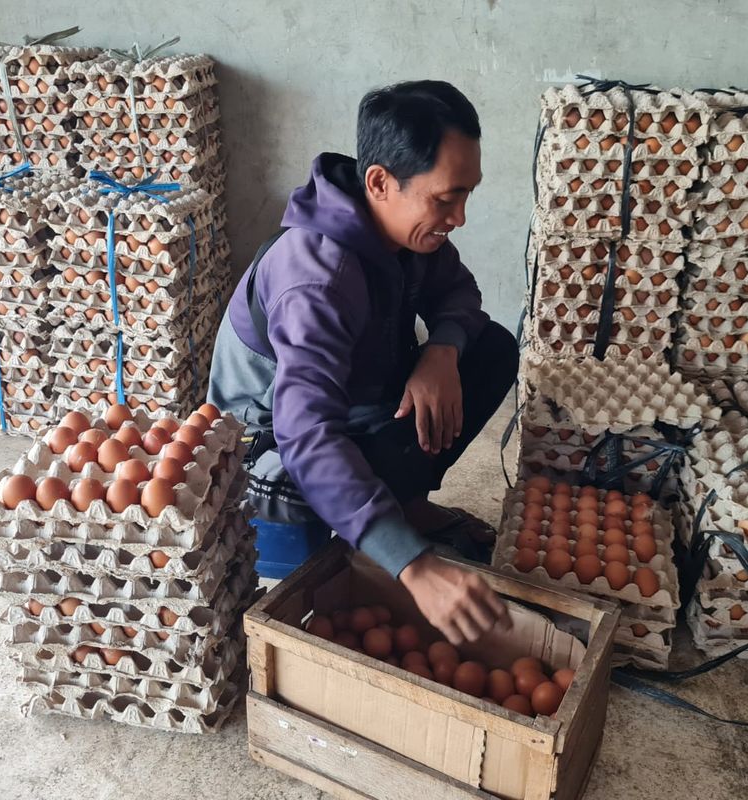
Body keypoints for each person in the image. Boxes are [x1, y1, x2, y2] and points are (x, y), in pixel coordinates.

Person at [208, 80, 519, 644]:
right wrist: (415, 567)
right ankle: (384, 527)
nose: (460, 217)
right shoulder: (317, 280)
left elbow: (460, 295)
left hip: (352, 401)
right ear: (380, 181)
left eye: (467, 195)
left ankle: (401, 504)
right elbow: (307, 435)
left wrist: (441, 352)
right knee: (342, 494)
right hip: (270, 451)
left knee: (491, 349)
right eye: (446, 198)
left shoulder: (404, 231)